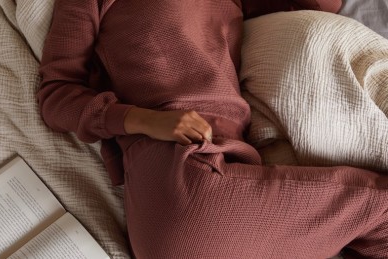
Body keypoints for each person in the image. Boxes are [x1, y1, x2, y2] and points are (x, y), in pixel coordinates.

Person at [38, 0, 388, 258]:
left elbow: (320, 5)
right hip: (180, 180)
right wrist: (144, 119)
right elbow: (56, 95)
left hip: (212, 185)